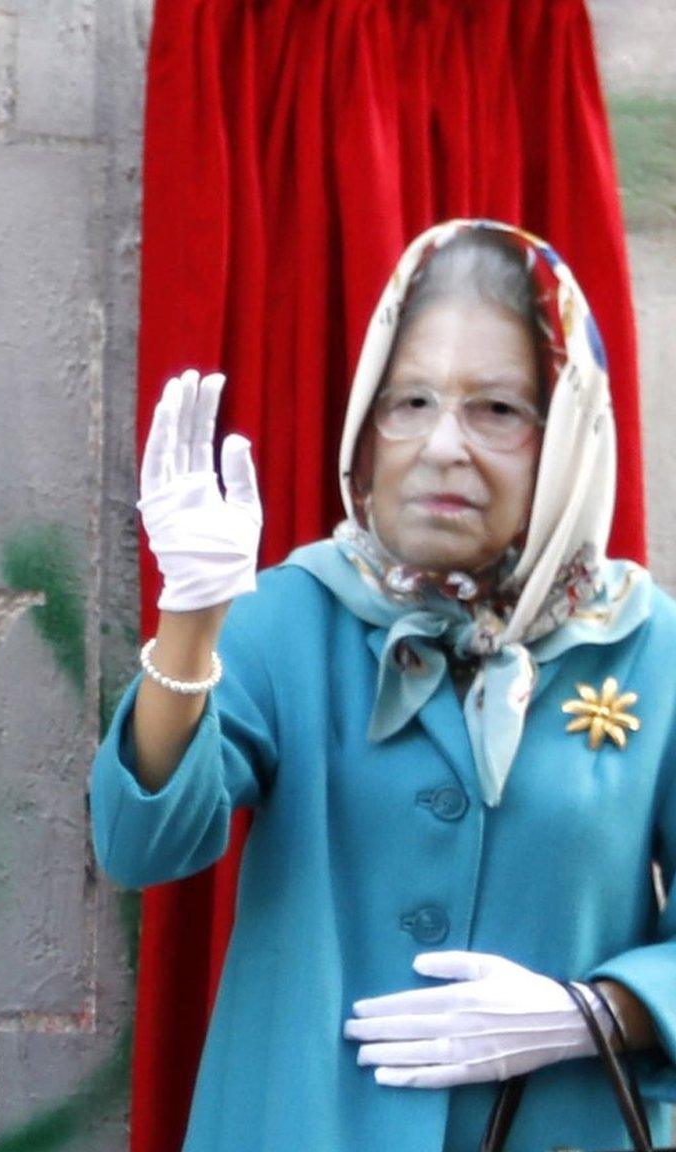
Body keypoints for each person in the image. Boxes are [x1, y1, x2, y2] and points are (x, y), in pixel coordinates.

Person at [91, 217, 676, 1151]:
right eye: (410, 402)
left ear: (570, 431)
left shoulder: (648, 648)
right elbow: (141, 844)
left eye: (498, 410)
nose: (444, 445)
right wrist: (193, 616)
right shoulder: (294, 618)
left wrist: (600, 1011)